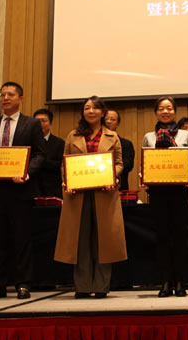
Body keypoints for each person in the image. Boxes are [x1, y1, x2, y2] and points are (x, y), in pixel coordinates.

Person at [0, 82, 45, 300]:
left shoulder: (31, 124)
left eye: (10, 94)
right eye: (3, 94)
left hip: (20, 190)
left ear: (20, 99)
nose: (5, 98)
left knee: (22, 239)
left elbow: (40, 155)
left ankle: (23, 284)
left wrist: (27, 172)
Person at [54, 96, 127, 298]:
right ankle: (83, 286)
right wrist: (67, 181)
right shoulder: (73, 135)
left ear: (102, 113)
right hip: (78, 194)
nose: (91, 111)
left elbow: (119, 162)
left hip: (104, 193)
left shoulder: (112, 136)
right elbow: (65, 163)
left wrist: (113, 175)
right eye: (87, 108)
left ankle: (102, 286)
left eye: (95, 108)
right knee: (80, 239)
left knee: (104, 240)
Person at [142, 97, 188, 297]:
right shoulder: (149, 137)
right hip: (157, 192)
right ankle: (165, 281)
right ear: (156, 112)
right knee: (162, 236)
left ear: (174, 111)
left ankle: (180, 281)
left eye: (169, 108)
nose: (165, 111)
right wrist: (143, 173)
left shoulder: (185, 135)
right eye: (161, 108)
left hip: (179, 191)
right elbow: (146, 161)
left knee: (180, 236)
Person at [33, 108, 65, 198]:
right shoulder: (28, 142)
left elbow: (61, 165)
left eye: (43, 121)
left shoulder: (60, 143)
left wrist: (39, 161)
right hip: (32, 190)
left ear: (50, 124)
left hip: (53, 190)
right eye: (37, 121)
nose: (40, 124)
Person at [104, 109, 135, 191]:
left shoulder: (126, 144)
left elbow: (128, 166)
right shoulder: (94, 143)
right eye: (106, 119)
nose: (108, 121)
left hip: (120, 188)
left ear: (118, 124)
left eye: (112, 119)